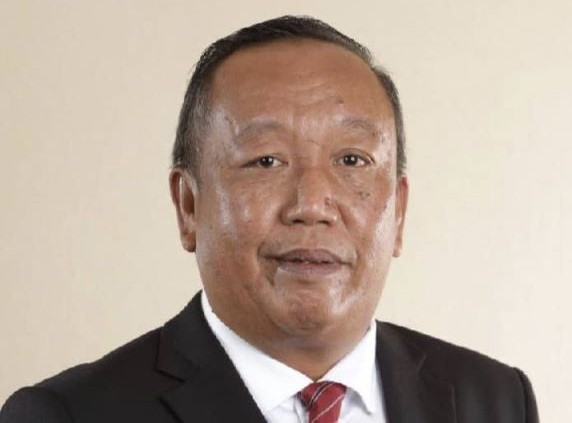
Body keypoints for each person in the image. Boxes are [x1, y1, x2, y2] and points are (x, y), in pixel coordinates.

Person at [0, 15, 538, 423]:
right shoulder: (67, 415)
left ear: (397, 211)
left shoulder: (494, 400)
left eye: (352, 160)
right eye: (266, 161)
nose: (312, 205)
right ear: (188, 206)